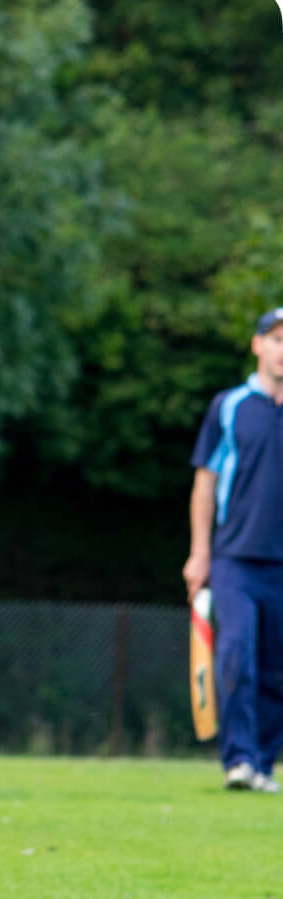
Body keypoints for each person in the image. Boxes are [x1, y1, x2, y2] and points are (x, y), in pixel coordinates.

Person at [183, 306, 283, 794]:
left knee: (275, 670)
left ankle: (263, 765)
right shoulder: (230, 406)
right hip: (235, 558)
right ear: (258, 345)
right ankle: (239, 761)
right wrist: (199, 554)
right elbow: (205, 482)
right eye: (277, 339)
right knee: (237, 655)